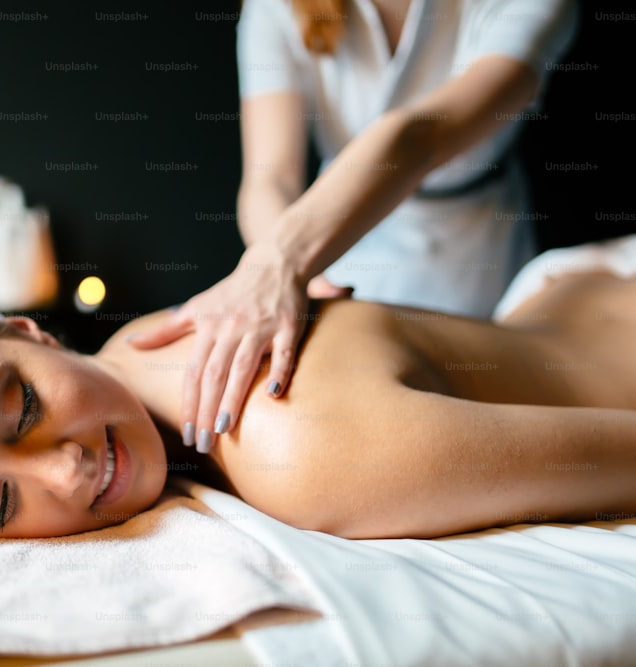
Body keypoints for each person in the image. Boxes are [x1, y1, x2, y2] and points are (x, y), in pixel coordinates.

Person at [0, 234, 636, 540]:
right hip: (571, 291)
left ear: (28, 328)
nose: (66, 471)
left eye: (18, 407)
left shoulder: (308, 453)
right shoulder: (136, 341)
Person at [128, 0, 579, 458]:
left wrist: (280, 263)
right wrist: (301, 279)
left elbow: (417, 138)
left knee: (470, 427)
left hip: (473, 252)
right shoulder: (276, 8)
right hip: (326, 244)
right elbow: (270, 179)